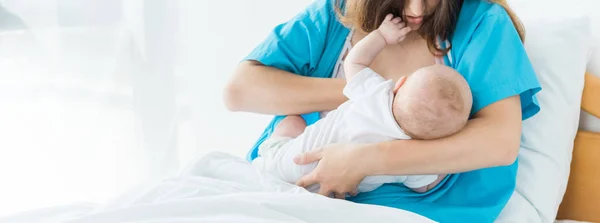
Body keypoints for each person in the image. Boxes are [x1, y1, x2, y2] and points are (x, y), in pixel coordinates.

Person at [223, 0, 541, 222]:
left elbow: (500, 141)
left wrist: (364, 159)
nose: (416, 9)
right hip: (288, 193)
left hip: (414, 212)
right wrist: (375, 98)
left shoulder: (483, 23)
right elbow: (239, 91)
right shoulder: (336, 14)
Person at [252, 13, 472, 194]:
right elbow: (425, 186)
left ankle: (271, 149)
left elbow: (354, 62)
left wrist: (382, 36)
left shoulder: (378, 95)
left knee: (292, 123)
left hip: (283, 166)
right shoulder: (409, 157)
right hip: (326, 193)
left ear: (400, 83)